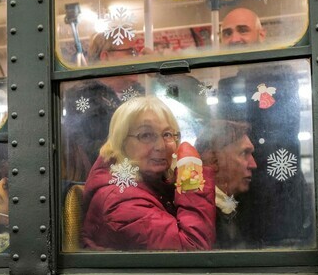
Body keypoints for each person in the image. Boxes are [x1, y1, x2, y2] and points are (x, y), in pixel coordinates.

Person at [81, 96, 216, 250]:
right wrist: (191, 176)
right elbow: (193, 251)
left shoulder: (154, 183)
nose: (160, 146)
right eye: (146, 135)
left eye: (167, 134)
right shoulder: (119, 201)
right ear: (121, 142)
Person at [195, 120, 258, 249]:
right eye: (244, 153)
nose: (253, 165)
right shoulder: (200, 216)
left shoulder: (231, 209)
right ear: (214, 160)